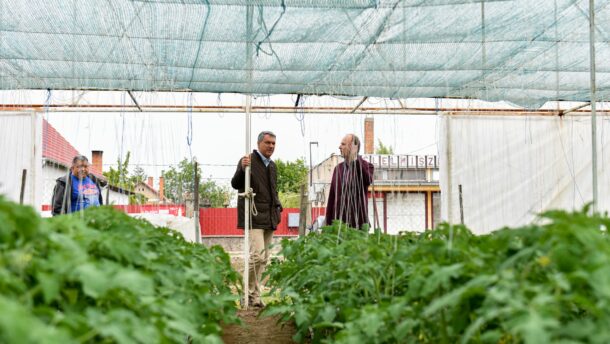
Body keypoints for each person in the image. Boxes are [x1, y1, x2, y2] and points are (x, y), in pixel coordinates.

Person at [231, 130, 282, 308]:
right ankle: (245, 293)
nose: (271, 146)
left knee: (265, 258)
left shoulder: (273, 166)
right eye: (268, 143)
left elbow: (273, 191)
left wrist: (277, 209)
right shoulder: (248, 160)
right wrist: (242, 169)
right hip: (253, 215)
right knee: (257, 256)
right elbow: (236, 184)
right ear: (259, 143)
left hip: (269, 217)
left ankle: (255, 296)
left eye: (274, 143)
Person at [325, 134, 374, 230]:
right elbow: (332, 198)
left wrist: (355, 159)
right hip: (339, 225)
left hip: (358, 224)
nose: (339, 147)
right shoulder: (338, 169)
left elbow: (368, 179)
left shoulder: (366, 166)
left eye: (343, 144)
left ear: (353, 147)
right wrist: (328, 224)